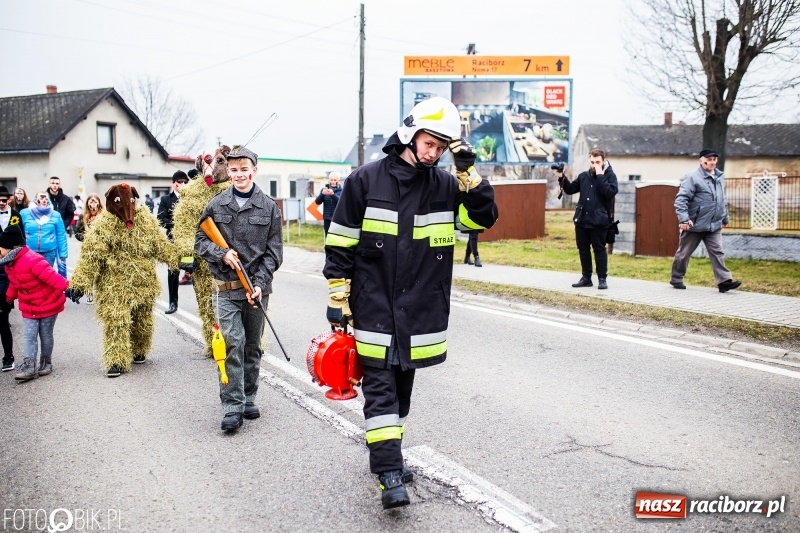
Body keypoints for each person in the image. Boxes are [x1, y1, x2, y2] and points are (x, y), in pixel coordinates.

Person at [323, 96, 498, 509]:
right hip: (374, 305)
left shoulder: (446, 185)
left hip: (421, 311)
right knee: (380, 391)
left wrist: (468, 173)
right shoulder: (365, 180)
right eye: (429, 142)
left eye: (442, 147)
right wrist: (337, 297)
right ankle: (388, 473)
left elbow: (482, 219)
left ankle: (390, 454)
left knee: (401, 392)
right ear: (410, 132)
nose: (433, 152)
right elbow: (340, 242)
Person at [195, 146, 283, 433]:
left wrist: (258, 284)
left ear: (254, 171)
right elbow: (199, 242)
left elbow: (274, 253)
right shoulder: (216, 205)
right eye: (234, 170)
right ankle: (232, 406)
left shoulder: (269, 207)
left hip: (256, 289)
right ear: (228, 172)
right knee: (233, 343)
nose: (239, 175)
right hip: (225, 289)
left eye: (244, 169)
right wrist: (222, 254)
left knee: (252, 346)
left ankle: (248, 397)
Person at [70, 183, 176, 377]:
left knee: (142, 320)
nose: (127, 208)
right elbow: (91, 256)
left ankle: (139, 348)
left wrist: (182, 260)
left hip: (144, 282)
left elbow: (161, 246)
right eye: (119, 202)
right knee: (116, 321)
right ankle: (116, 359)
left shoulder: (146, 222)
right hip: (114, 285)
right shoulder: (104, 225)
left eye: (130, 202)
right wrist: (79, 284)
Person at [0, 220, 70, 382]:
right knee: (29, 335)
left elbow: (52, 278)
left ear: (10, 248)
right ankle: (29, 366)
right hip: (29, 305)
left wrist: (68, 288)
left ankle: (46, 362)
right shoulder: (9, 264)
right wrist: (7, 300)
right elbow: (15, 284)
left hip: (48, 304)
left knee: (45, 335)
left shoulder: (33, 260)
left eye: (1, 248)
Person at [670, 148, 742, 292]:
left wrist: (724, 217)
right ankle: (676, 278)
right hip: (694, 225)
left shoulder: (720, 176)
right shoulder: (693, 177)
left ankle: (724, 282)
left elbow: (722, 199)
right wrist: (684, 219)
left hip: (714, 225)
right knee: (684, 254)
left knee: (718, 252)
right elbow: (681, 199)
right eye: (708, 160)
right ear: (701, 160)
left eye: (714, 159)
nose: (711, 162)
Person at [556, 149, 618, 290]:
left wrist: (601, 176)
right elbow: (570, 189)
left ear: (604, 161)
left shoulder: (610, 176)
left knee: (599, 249)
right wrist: (561, 176)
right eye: (592, 162)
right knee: (583, 249)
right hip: (582, 219)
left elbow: (609, 193)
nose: (594, 165)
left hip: (599, 221)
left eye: (597, 162)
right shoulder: (584, 176)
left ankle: (602, 279)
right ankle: (586, 278)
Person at [158, 171, 190, 314]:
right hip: (173, 241)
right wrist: (176, 226)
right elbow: (161, 218)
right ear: (173, 183)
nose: (182, 185)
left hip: (189, 243)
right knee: (173, 272)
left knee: (192, 269)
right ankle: (173, 303)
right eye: (179, 182)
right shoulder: (166, 199)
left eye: (185, 182)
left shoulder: (191, 199)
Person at [19, 192, 68, 274]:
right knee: (30, 276)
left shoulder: (55, 215)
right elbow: (19, 232)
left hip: (49, 253)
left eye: (46, 198)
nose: (44, 200)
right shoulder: (24, 213)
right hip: (29, 252)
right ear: (35, 200)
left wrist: (63, 254)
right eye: (41, 198)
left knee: (46, 277)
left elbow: (61, 235)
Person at [0, 187, 20, 372]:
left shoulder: (15, 216)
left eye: (4, 199)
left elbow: (20, 242)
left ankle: (8, 356)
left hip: (6, 269)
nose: (1, 202)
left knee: (2, 316)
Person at [314, 171, 342, 236]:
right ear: (329, 181)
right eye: (331, 180)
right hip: (327, 219)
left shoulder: (341, 191)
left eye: (335, 180)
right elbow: (317, 202)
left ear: (338, 181)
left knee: (336, 237)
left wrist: (332, 194)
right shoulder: (324, 190)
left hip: (337, 219)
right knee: (328, 237)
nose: (333, 182)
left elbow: (340, 202)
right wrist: (322, 194)